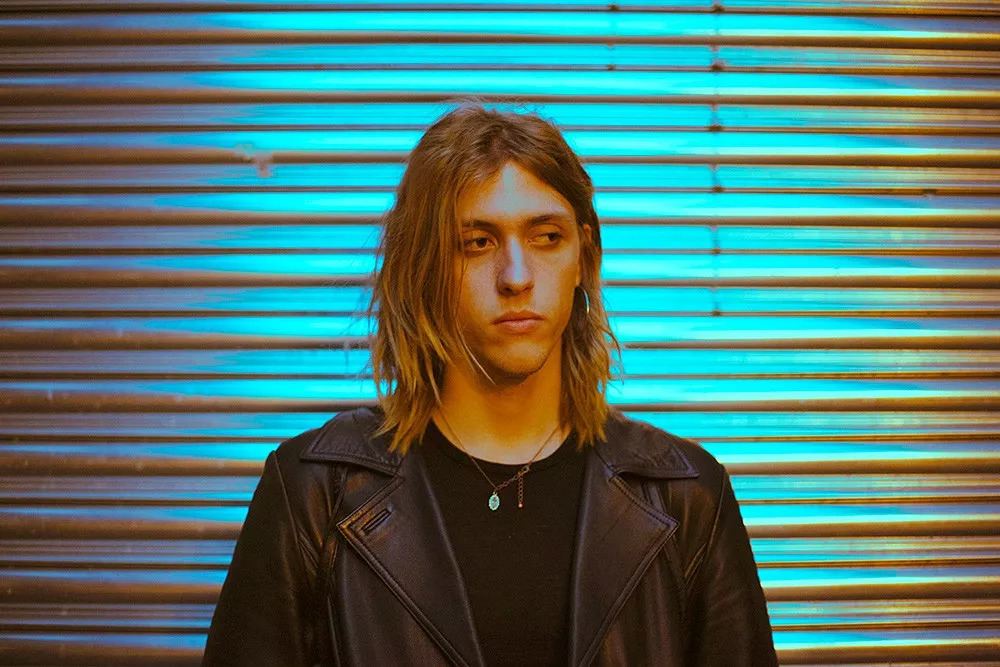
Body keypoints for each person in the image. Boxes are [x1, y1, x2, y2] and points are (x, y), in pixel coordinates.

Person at [203, 102, 777, 666]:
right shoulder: (314, 496)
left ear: (585, 256)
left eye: (546, 237)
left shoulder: (686, 498)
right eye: (477, 242)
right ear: (424, 268)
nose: (517, 277)